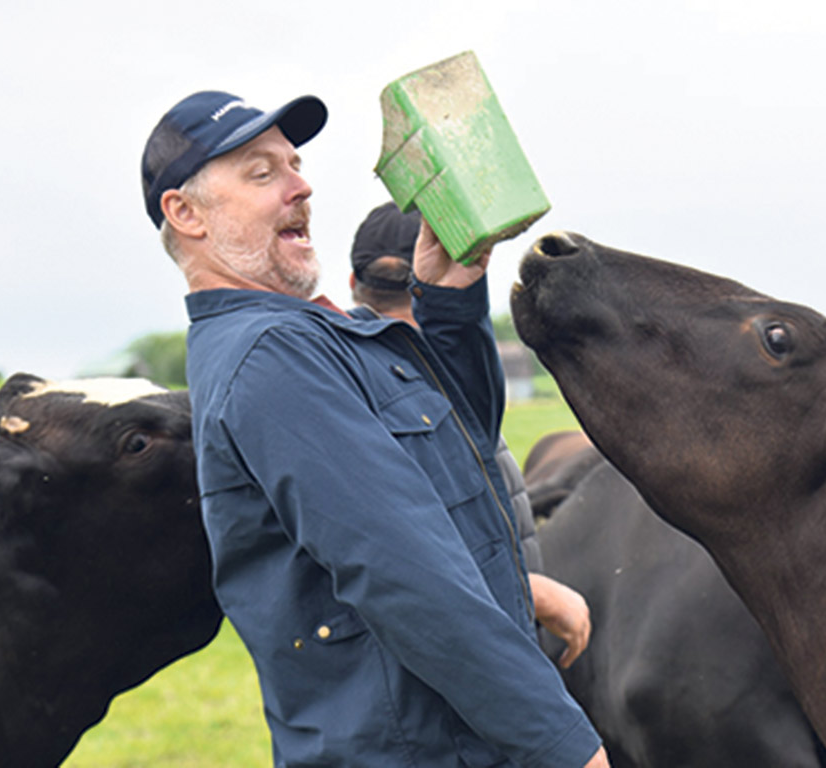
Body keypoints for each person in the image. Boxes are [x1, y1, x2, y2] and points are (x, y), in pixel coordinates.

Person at [141, 90, 608, 768]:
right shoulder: (271, 356)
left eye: (294, 164)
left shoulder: (323, 335)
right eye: (261, 173)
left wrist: (448, 300)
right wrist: (564, 746)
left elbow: (461, 453)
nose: (301, 186)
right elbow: (402, 570)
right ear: (186, 215)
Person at [349, 202, 591, 668]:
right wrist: (533, 593)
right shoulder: (407, 391)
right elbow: (402, 552)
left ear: (354, 285)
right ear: (437, 276)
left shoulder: (348, 379)